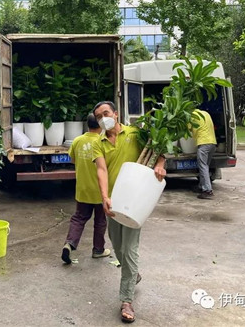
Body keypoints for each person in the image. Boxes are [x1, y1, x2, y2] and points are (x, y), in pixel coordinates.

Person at [92, 101, 166, 324]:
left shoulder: (135, 133)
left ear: (116, 114)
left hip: (136, 200)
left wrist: (160, 164)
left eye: (106, 113)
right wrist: (104, 196)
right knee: (117, 246)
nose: (103, 118)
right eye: (98, 116)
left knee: (130, 249)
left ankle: (126, 300)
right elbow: (101, 170)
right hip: (114, 200)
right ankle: (133, 275)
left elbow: (160, 147)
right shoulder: (98, 143)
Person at [61, 114, 111, 265]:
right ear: (101, 125)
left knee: (79, 218)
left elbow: (73, 159)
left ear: (87, 124)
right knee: (100, 220)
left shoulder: (78, 140)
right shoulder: (103, 142)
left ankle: (69, 244)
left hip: (83, 188)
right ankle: (98, 250)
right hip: (101, 190)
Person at [190, 108, 217, 199]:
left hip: (203, 144)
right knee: (205, 166)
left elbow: (187, 129)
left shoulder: (192, 116)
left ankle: (207, 190)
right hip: (212, 143)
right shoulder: (206, 113)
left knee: (203, 166)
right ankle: (201, 186)